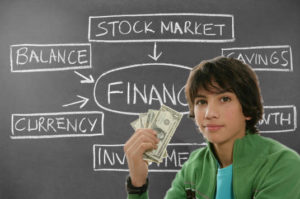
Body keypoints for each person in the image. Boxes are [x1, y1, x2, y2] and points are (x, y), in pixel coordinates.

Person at [124, 56, 300, 199]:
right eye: (201, 102)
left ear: (247, 108)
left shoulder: (283, 165)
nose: (209, 113)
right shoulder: (193, 167)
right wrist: (137, 184)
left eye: (224, 99)